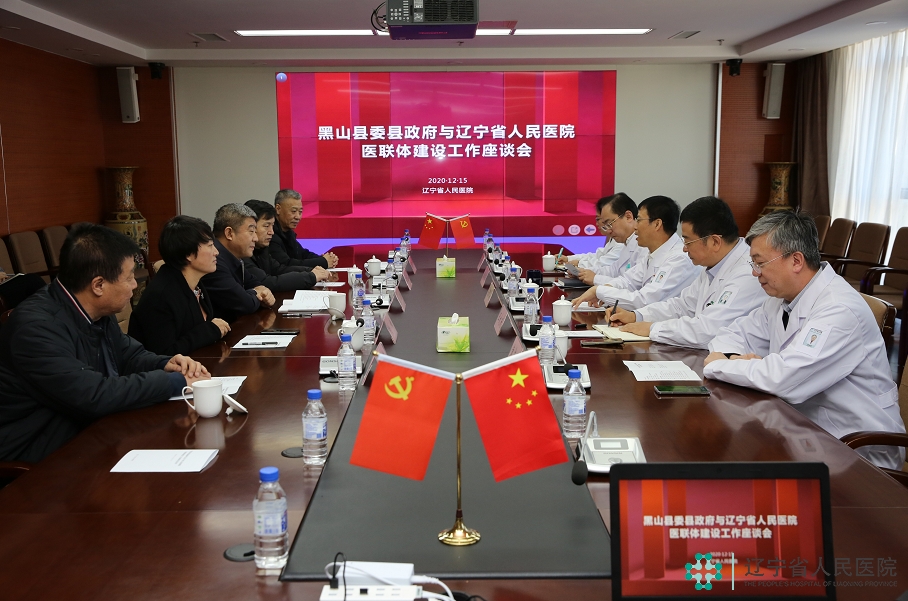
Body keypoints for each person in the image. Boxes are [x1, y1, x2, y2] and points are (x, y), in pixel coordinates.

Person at [703, 211, 906, 470]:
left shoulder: (838, 309)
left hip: (857, 447)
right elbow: (731, 334)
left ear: (796, 261)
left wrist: (720, 364)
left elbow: (784, 378)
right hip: (805, 429)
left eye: (760, 263)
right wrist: (732, 358)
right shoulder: (781, 299)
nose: (755, 273)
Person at [0, 224, 210, 463]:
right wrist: (174, 382)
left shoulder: (95, 309)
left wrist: (166, 364)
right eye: (129, 277)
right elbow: (93, 395)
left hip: (88, 433)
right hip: (38, 452)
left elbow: (128, 355)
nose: (135, 284)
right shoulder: (35, 329)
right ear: (98, 285)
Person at [604, 196, 766, 349]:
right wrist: (636, 316)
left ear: (715, 242)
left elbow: (708, 330)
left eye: (688, 242)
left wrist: (652, 328)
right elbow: (682, 306)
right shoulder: (713, 266)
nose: (684, 248)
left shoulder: (747, 272)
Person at [571, 195, 699, 311]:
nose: (635, 226)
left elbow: (645, 299)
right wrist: (602, 289)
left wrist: (600, 291)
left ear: (657, 224)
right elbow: (628, 281)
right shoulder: (652, 254)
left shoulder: (679, 258)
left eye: (639, 220)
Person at [129, 216, 231, 355]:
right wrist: (211, 330)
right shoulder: (161, 296)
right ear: (188, 253)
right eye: (210, 246)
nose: (216, 252)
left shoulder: (195, 283)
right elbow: (165, 353)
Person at [201, 203, 275, 322]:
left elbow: (254, 282)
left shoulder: (234, 257)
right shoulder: (214, 261)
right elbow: (245, 303)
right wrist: (255, 293)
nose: (255, 238)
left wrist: (261, 290)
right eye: (251, 231)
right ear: (229, 233)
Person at [243, 199, 332, 291]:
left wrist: (311, 270)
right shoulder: (242, 254)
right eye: (266, 226)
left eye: (272, 226)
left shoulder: (261, 249)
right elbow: (267, 282)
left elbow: (279, 269)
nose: (271, 232)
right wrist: (311, 276)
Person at [571, 193, 644, 285]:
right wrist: (583, 272)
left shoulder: (643, 245)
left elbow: (633, 284)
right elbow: (613, 270)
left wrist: (595, 278)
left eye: (609, 224)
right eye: (605, 226)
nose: (608, 231)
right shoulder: (627, 242)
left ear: (628, 217)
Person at [269, 189, 339, 269]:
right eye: (293, 211)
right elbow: (287, 264)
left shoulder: (288, 233)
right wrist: (323, 262)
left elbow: (303, 254)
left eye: (300, 212)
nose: (298, 217)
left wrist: (324, 259)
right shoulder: (270, 235)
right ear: (278, 209)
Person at [563, 194, 630, 271]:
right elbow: (598, 256)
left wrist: (579, 264)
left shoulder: (625, 242)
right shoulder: (617, 239)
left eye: (608, 222)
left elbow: (604, 264)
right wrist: (569, 259)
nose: (608, 229)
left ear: (628, 217)